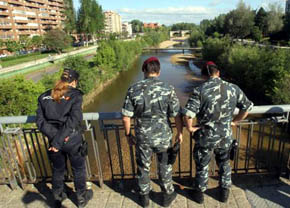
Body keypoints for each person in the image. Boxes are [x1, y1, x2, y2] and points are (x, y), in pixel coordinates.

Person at [183, 61, 253, 203]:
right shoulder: (233, 88)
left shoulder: (200, 90)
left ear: (204, 75)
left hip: (206, 136)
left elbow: (188, 114)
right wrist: (235, 121)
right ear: (218, 73)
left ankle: (199, 195)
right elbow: (247, 107)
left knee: (202, 164)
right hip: (225, 135)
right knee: (224, 163)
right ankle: (224, 193)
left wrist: (190, 128)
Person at [122, 57, 183, 207]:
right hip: (164, 136)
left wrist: (128, 135)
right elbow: (176, 115)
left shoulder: (133, 89)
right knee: (164, 165)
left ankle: (144, 198)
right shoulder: (168, 88)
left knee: (143, 167)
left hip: (143, 138)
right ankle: (167, 194)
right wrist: (179, 133)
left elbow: (125, 118)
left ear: (144, 71)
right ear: (159, 71)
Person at [36, 68, 93, 208]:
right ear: (74, 82)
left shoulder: (43, 96)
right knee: (78, 169)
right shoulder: (75, 95)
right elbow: (75, 119)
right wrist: (61, 139)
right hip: (72, 140)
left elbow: (40, 122)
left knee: (58, 169)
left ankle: (58, 197)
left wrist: (55, 139)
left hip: (53, 141)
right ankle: (81, 198)